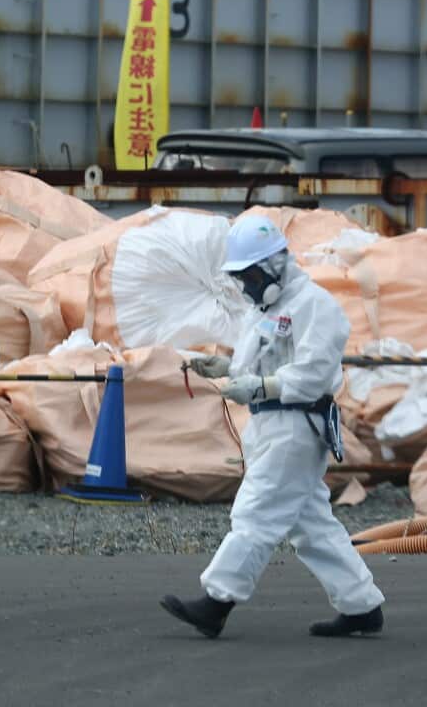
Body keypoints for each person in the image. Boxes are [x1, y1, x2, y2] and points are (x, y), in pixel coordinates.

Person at [160, 215, 385, 639]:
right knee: (311, 525)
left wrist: (261, 386)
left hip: (296, 427)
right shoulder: (265, 310)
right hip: (270, 427)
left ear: (275, 265)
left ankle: (216, 601)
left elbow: (314, 373)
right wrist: (228, 367)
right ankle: (361, 605)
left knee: (255, 513)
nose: (245, 286)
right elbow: (263, 363)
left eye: (250, 275)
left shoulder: (316, 306)